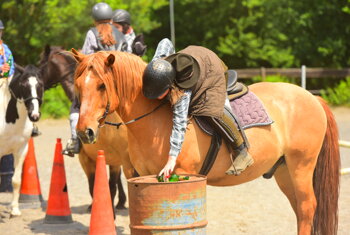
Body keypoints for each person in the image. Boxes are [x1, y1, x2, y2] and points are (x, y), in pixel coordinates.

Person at [142, 45, 254, 179]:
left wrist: (172, 159)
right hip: (197, 56)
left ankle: (241, 150)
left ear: (170, 86)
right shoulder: (159, 63)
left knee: (209, 111)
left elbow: (180, 123)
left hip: (212, 71)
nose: (158, 97)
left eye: (160, 93)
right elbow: (165, 42)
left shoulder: (181, 93)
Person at [63, 2, 128, 156]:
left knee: (76, 106)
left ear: (94, 19)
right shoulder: (120, 34)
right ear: (111, 18)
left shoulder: (92, 33)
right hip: (119, 84)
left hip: (98, 81)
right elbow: (128, 56)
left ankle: (75, 141)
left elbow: (87, 59)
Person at [0, 19, 15, 192]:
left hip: (6, 81)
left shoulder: (6, 48)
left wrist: (7, 70)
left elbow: (10, 64)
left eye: (0, 31)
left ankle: (28, 124)